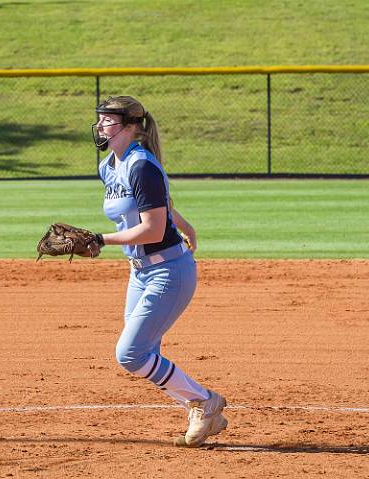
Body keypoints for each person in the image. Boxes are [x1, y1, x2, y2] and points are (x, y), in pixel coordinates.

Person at [89, 96, 227, 447]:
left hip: (169, 271)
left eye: (108, 119)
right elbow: (160, 204)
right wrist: (186, 225)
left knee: (131, 354)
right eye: (101, 119)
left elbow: (152, 229)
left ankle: (204, 401)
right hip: (139, 273)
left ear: (130, 125)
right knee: (143, 351)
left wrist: (99, 239)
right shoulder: (109, 166)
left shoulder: (141, 165)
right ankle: (202, 410)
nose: (101, 125)